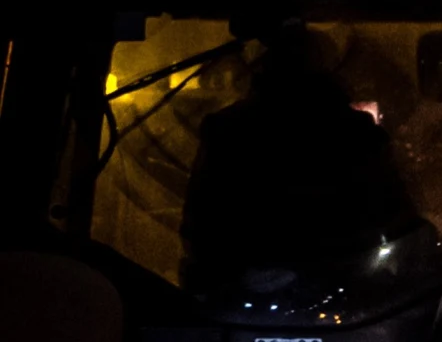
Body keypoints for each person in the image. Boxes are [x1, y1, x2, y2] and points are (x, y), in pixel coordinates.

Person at [179, 28, 417, 291]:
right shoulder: (358, 134)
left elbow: (198, 230)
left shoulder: (225, 130)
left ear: (263, 67)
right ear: (327, 69)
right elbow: (397, 219)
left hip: (244, 296)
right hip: (345, 294)